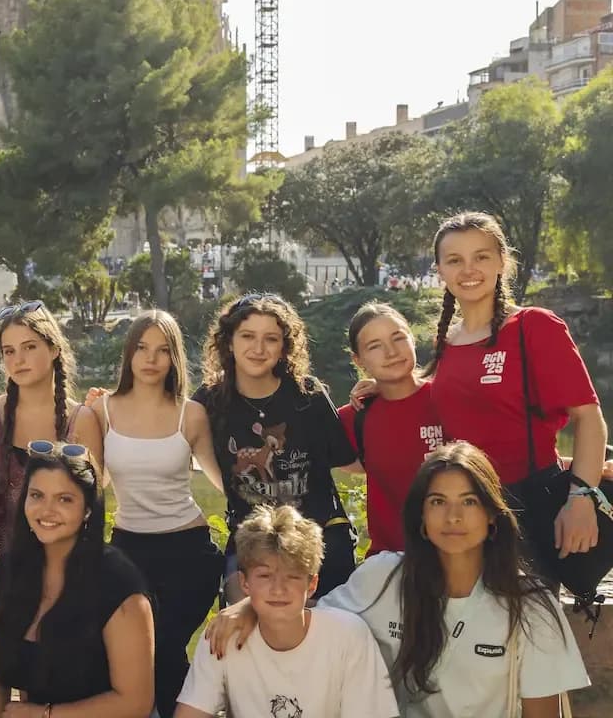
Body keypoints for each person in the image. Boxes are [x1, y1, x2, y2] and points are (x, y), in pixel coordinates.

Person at [209, 442, 590, 717]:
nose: (453, 516)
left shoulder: (530, 607)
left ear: (492, 515)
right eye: (438, 502)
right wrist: (247, 608)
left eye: (469, 501)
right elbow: (301, 618)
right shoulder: (382, 578)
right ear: (421, 517)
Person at [423, 212, 608, 585]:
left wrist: (581, 496)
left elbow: (588, 417)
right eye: (454, 260)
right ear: (440, 270)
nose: (468, 269)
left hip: (528, 507)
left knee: (530, 630)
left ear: (502, 261)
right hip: (463, 511)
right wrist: (383, 386)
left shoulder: (535, 327)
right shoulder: (446, 343)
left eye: (481, 256)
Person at [0, 301, 102, 716]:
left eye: (29, 347)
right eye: (8, 351)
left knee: (47, 662)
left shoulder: (81, 419)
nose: (18, 360)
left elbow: (91, 504)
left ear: (54, 349)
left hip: (59, 558)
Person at [89, 310, 224, 718]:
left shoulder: (191, 414)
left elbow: (223, 482)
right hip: (128, 551)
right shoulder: (102, 412)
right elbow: (95, 486)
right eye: (142, 349)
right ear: (129, 355)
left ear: (174, 358)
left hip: (189, 551)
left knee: (164, 647)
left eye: (162, 350)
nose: (151, 359)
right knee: (138, 655)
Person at [191, 293, 358, 601]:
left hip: (319, 538)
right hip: (250, 542)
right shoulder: (209, 401)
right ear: (229, 341)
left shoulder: (308, 396)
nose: (258, 348)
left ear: (284, 346)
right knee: (239, 623)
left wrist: (376, 396)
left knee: (325, 634)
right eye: (247, 336)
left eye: (271, 338)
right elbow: (164, 432)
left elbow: (352, 460)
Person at [0, 445, 155, 718]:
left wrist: (45, 714)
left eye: (64, 499)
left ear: (87, 510)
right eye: (37, 496)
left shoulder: (118, 584)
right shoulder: (8, 572)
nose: (47, 510)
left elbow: (136, 702)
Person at [175, 504, 398, 718]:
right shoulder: (222, 636)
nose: (278, 589)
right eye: (264, 576)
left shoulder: (348, 635)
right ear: (244, 582)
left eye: (292, 576)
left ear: (312, 584)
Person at [338, 302, 442, 554]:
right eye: (374, 346)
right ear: (358, 360)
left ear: (413, 341)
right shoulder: (352, 418)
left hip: (460, 558)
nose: (391, 352)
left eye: (398, 338)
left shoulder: (447, 397)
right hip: (391, 561)